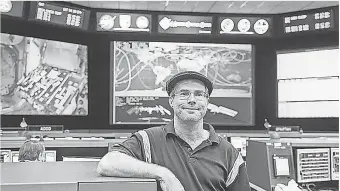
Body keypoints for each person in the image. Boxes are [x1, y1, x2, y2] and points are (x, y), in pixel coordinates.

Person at [97, 71, 250, 191]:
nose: (192, 100)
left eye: (199, 94)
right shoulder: (147, 139)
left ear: (207, 101)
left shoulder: (229, 153)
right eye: (184, 94)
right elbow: (107, 163)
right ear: (171, 100)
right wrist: (164, 174)